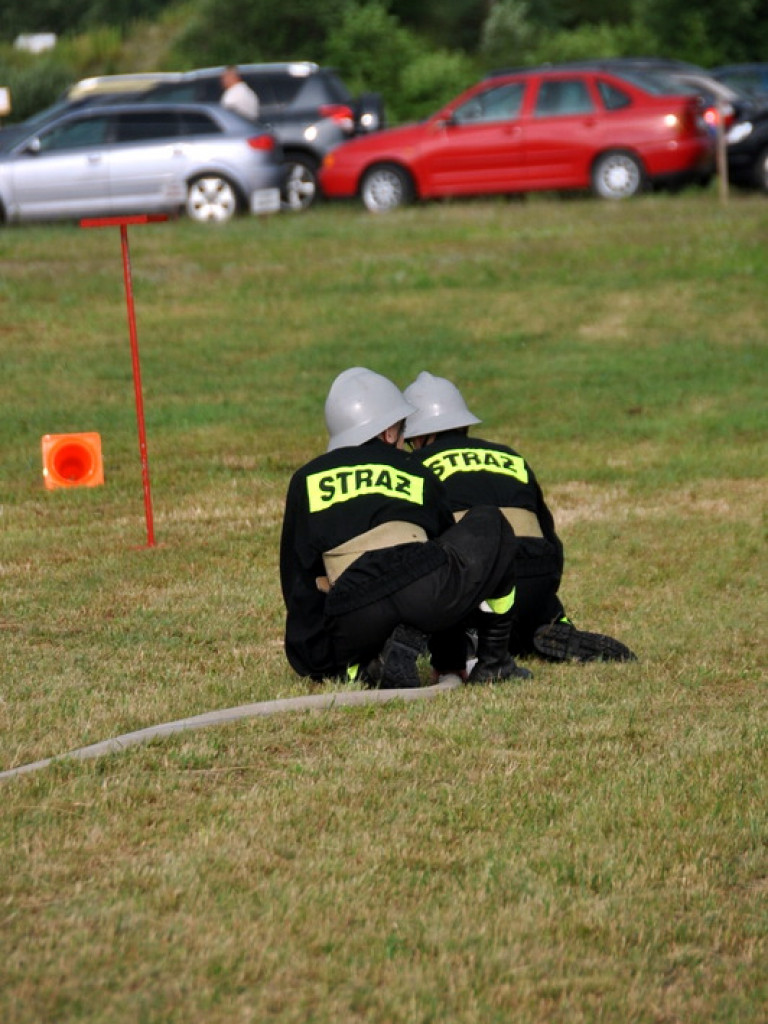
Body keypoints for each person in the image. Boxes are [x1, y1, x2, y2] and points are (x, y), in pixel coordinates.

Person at [279, 367, 531, 687]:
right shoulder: (416, 469)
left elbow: (298, 577)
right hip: (423, 594)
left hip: (356, 610)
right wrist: (449, 659)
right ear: (387, 433)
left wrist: (317, 660)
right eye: (403, 430)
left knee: (339, 595)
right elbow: (445, 551)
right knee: (488, 521)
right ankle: (496, 663)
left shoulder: (306, 478)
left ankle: (357, 666)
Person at [403, 371, 637, 664]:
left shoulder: (415, 467)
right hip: (535, 582)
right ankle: (543, 624)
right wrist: (544, 596)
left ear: (423, 435)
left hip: (481, 588)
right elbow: (550, 538)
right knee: (520, 599)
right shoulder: (509, 456)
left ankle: (472, 637)